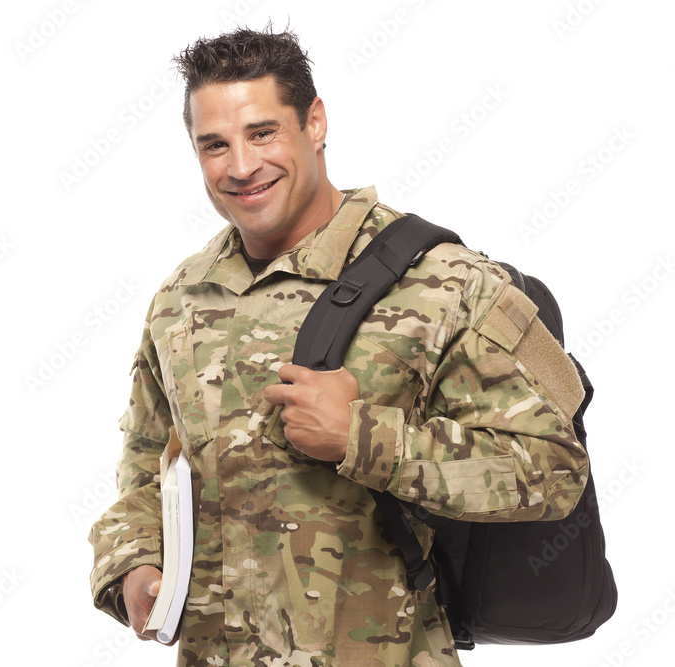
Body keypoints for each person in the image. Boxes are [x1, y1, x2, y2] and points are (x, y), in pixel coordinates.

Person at [88, 26, 588, 667]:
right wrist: (135, 567)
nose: (240, 167)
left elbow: (552, 472)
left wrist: (361, 437)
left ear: (315, 122)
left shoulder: (445, 281)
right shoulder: (184, 296)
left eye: (262, 133)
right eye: (214, 145)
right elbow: (147, 474)